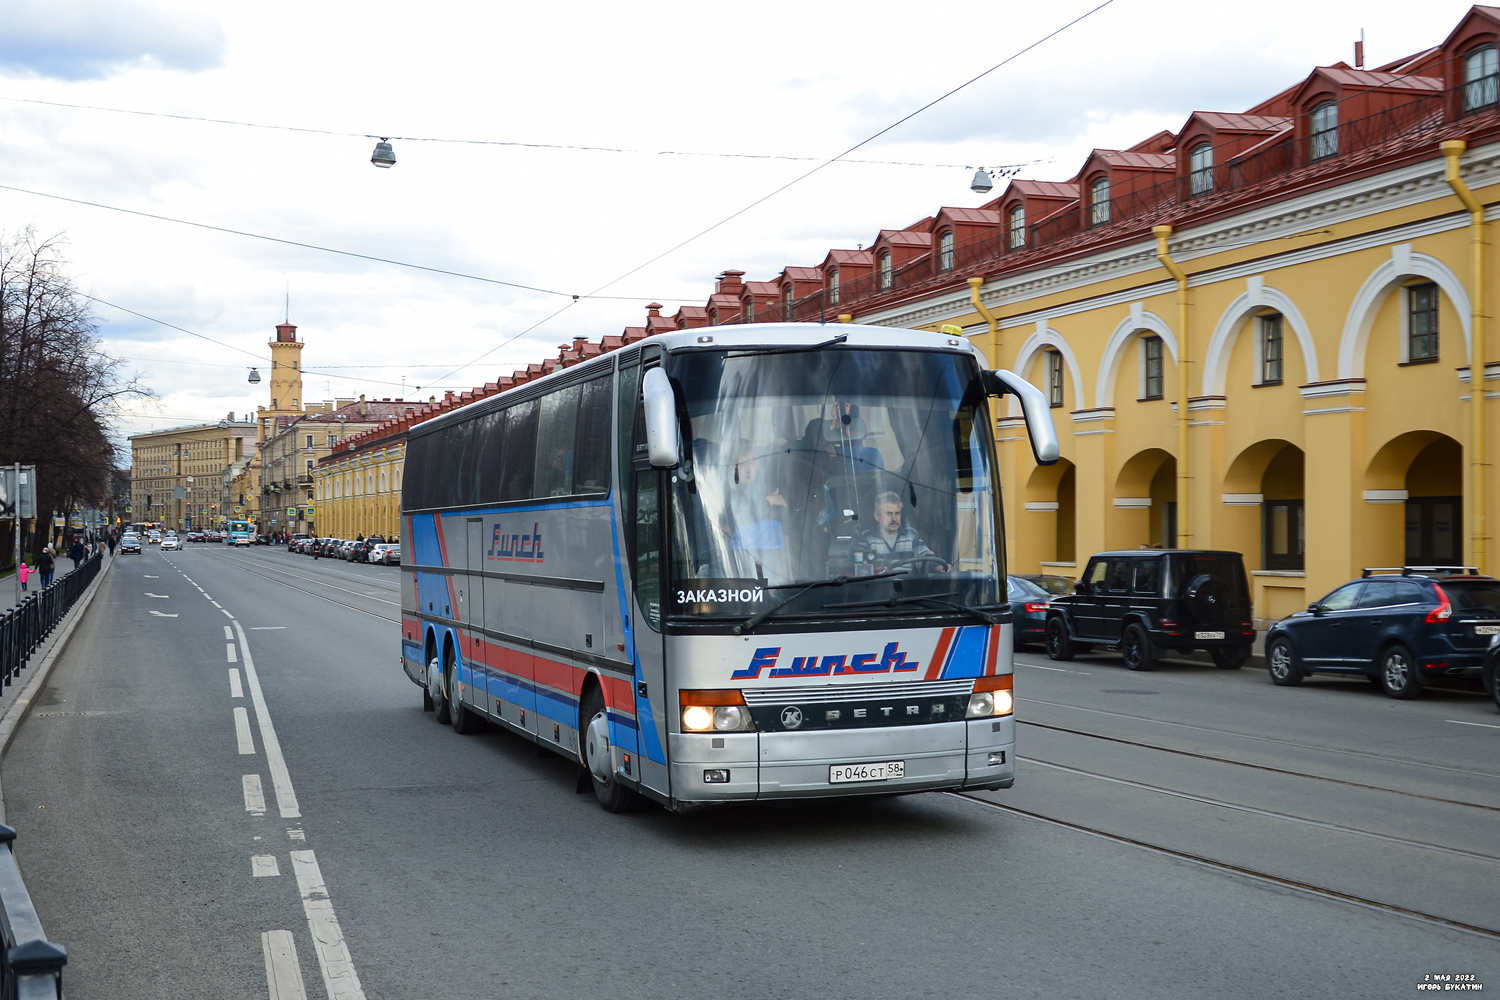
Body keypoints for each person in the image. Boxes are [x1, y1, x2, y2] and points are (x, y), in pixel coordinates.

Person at [856, 491, 948, 574]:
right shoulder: (866, 538)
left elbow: (925, 555)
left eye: (897, 513)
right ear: (877, 516)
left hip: (908, 589)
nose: (894, 519)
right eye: (889, 513)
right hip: (879, 588)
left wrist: (936, 566)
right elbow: (860, 568)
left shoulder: (911, 535)